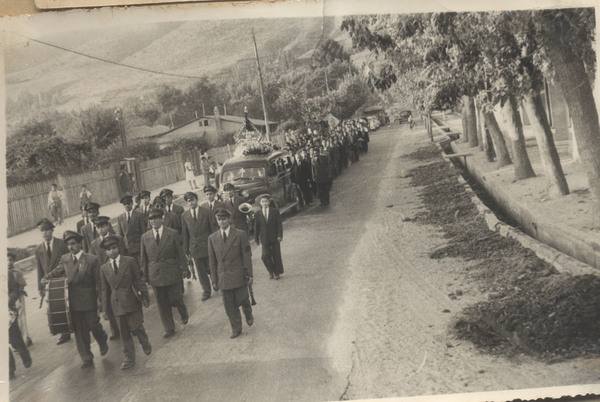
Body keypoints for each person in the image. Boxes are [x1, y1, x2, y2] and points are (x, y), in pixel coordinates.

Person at [44, 231, 109, 369]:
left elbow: (99, 282)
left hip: (89, 299)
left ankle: (102, 339)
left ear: (80, 244)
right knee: (79, 330)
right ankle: (86, 357)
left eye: (73, 243)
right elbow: (58, 270)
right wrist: (47, 277)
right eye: (68, 244)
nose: (70, 246)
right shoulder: (65, 258)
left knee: (94, 325)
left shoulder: (92, 259)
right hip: (73, 301)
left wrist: (100, 301)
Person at [99, 235, 152, 370]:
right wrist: (104, 309)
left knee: (136, 326)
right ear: (105, 252)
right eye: (109, 249)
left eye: (114, 247)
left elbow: (138, 280)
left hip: (131, 300)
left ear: (118, 248)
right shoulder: (104, 268)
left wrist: (145, 296)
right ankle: (129, 358)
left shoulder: (129, 261)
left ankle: (143, 340)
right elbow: (104, 290)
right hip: (116, 304)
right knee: (124, 332)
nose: (112, 251)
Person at [140, 208, 190, 338]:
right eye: (151, 219)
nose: (154, 221)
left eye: (156, 218)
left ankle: (182, 311)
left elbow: (180, 253)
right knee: (161, 303)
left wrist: (185, 269)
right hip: (155, 273)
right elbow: (143, 258)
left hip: (171, 270)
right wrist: (145, 275)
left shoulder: (172, 233)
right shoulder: (145, 237)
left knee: (176, 298)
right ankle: (169, 328)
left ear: (162, 219)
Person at [208, 208, 254, 339]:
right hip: (224, 277)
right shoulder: (212, 238)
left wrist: (249, 275)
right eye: (219, 219)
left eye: (223, 219)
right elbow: (213, 261)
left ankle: (247, 310)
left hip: (239, 274)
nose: (221, 222)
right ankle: (236, 328)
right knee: (229, 305)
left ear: (229, 219)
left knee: (242, 298)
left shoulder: (240, 234)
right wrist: (214, 279)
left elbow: (246, 256)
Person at [89, 216, 128, 340]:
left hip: (118, 274)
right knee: (108, 302)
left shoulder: (118, 239)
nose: (100, 229)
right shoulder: (94, 244)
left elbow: (124, 256)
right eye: (98, 227)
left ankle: (127, 326)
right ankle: (114, 330)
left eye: (103, 226)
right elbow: (93, 262)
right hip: (103, 277)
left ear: (107, 226)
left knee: (122, 298)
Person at [35, 218, 71, 345]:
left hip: (63, 280)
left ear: (52, 230)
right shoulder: (39, 249)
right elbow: (39, 269)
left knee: (68, 304)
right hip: (49, 284)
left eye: (47, 230)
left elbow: (68, 261)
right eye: (42, 231)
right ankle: (64, 332)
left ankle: (72, 327)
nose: (44, 233)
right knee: (55, 306)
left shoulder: (61, 244)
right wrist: (40, 288)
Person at [182, 191, 216, 299]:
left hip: (208, 245)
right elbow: (185, 233)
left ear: (196, 200)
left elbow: (213, 229)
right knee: (201, 272)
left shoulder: (206, 212)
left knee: (212, 267)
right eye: (188, 201)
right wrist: (186, 249)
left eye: (192, 200)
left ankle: (216, 282)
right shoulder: (184, 215)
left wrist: (215, 244)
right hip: (195, 247)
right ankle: (206, 291)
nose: (191, 202)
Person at [9, 251, 32, 380]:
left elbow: (13, 290)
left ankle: (24, 353)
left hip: (7, 310)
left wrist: (9, 300)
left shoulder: (6, 273)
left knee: (14, 339)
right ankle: (9, 369)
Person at [253, 194, 284, 280]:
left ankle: (277, 273)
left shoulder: (275, 211)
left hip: (274, 237)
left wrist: (279, 235)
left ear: (269, 202)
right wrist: (256, 239)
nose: (264, 203)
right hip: (264, 238)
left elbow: (279, 224)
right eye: (262, 201)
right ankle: (270, 271)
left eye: (266, 201)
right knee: (265, 256)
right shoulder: (258, 213)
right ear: (260, 203)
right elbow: (256, 227)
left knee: (276, 255)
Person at [116, 195, 146, 266]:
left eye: (128, 203)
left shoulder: (139, 215)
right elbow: (120, 236)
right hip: (127, 249)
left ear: (132, 204)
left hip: (138, 247)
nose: (127, 205)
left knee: (141, 265)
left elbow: (144, 232)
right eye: (125, 204)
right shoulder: (120, 218)